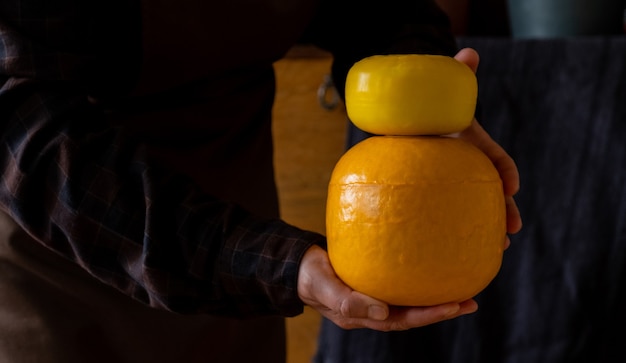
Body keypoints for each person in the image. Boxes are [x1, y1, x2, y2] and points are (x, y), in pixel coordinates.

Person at [0, 0, 521, 362]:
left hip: (243, 266)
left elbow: (381, 9)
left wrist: (423, 99)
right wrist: (265, 261)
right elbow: (24, 123)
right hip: (67, 259)